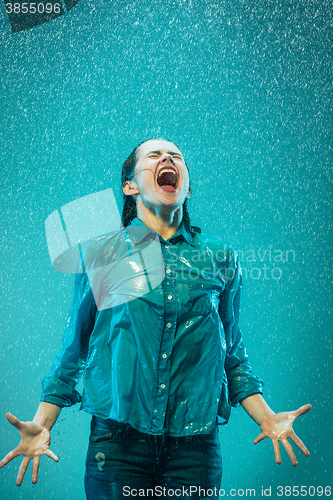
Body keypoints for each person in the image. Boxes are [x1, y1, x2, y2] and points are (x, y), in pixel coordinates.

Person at [0, 138, 311, 498]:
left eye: (176, 156)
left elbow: (232, 355)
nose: (168, 158)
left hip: (195, 449)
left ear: (187, 188)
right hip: (117, 445)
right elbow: (75, 349)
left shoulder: (220, 259)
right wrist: (41, 422)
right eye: (155, 155)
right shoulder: (102, 254)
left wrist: (267, 417)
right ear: (129, 186)